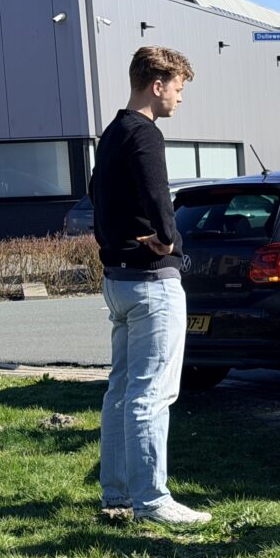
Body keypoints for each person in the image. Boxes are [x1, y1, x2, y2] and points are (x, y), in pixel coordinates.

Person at [92, 46, 210, 524]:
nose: (180, 98)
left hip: (117, 279)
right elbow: (159, 197)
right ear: (157, 84)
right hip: (150, 283)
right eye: (179, 88)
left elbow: (97, 197)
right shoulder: (145, 135)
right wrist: (168, 241)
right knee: (152, 393)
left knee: (121, 390)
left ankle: (117, 494)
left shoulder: (113, 132)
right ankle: (153, 499)